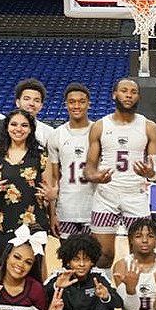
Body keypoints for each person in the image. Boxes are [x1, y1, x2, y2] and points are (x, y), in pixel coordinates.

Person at [85, 78, 156, 269]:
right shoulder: (100, 126)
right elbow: (89, 167)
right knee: (103, 255)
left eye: (133, 92)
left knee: (140, 255)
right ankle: (105, 296)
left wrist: (150, 171)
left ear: (139, 96)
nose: (128, 95)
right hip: (105, 195)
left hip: (135, 195)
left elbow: (155, 172)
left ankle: (134, 297)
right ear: (114, 94)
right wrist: (95, 177)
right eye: (124, 90)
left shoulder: (149, 126)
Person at [0, 108, 52, 270]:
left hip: (35, 224)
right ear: (6, 127)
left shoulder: (41, 156)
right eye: (14, 124)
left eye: (24, 125)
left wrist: (52, 195)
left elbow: (50, 189)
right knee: (5, 271)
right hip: (3, 223)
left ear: (31, 129)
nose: (18, 129)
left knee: (35, 271)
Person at [48, 83, 97, 241]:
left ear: (88, 104)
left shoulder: (98, 131)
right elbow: (54, 179)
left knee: (94, 259)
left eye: (81, 101)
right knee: (68, 260)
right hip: (66, 208)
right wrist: (53, 212)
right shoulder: (56, 135)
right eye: (72, 101)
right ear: (66, 104)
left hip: (95, 206)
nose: (77, 106)